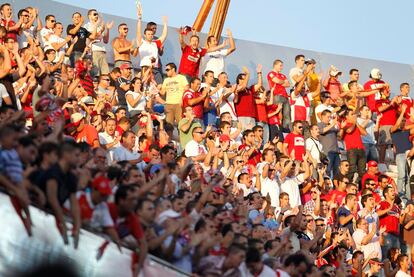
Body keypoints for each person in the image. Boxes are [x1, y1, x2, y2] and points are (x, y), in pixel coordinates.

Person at [37, 142, 81, 248]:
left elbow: (74, 205)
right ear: (66, 154)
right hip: (39, 214)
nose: (79, 159)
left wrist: (77, 228)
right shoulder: (53, 172)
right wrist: (63, 223)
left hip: (50, 218)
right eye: (76, 155)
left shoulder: (72, 177)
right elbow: (52, 199)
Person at [136, 6, 167, 84]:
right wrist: (139, 18)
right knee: (146, 87)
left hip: (156, 69)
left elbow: (164, 35)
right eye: (148, 34)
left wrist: (165, 24)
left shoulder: (155, 43)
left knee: (158, 87)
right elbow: (138, 31)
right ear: (145, 35)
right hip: (146, 68)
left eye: (151, 34)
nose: (150, 35)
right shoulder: (141, 42)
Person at [391, 104, 413, 199]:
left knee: (408, 178)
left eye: (405, 121)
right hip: (400, 155)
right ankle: (399, 194)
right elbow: (396, 125)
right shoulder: (393, 130)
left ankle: (408, 197)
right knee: (402, 176)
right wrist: (403, 112)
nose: (404, 122)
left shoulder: (407, 131)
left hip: (409, 155)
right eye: (402, 120)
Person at [339, 109, 367, 183]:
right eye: (352, 114)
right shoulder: (345, 124)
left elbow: (364, 133)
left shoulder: (356, 124)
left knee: (362, 171)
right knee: (351, 169)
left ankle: (362, 188)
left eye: (354, 114)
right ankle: (348, 185)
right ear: (347, 116)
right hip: (352, 150)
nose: (354, 115)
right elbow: (349, 131)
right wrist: (354, 123)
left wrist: (356, 123)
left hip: (361, 149)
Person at [84, 9, 113, 75]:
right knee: (95, 74)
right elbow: (92, 37)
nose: (96, 16)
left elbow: (106, 41)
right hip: (93, 51)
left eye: (97, 14)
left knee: (105, 74)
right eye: (94, 14)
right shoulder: (87, 26)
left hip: (102, 51)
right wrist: (98, 27)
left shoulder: (100, 27)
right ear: (89, 16)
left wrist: (107, 29)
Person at [234, 65, 262, 130]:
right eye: (242, 79)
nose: (244, 80)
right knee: (244, 134)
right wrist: (248, 74)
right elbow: (243, 86)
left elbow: (259, 84)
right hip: (242, 115)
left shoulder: (250, 89)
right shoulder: (237, 87)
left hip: (252, 116)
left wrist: (259, 73)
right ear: (238, 80)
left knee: (252, 136)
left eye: (245, 78)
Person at [377, 186, 401, 258]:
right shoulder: (382, 204)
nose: (393, 192)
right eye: (391, 191)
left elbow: (399, 221)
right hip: (386, 234)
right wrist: (388, 209)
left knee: (396, 258)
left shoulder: (396, 207)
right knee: (386, 257)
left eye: (394, 191)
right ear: (386, 194)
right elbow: (377, 213)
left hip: (396, 235)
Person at [318, 109, 340, 177]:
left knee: (337, 172)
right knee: (327, 171)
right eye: (328, 117)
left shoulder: (331, 125)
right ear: (322, 116)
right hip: (327, 152)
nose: (329, 119)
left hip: (336, 151)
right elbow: (322, 131)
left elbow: (339, 135)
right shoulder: (319, 124)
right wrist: (332, 124)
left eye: (330, 117)